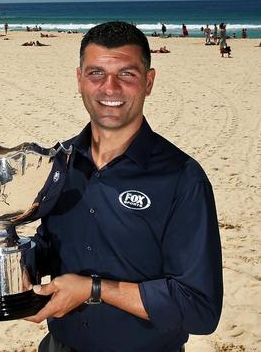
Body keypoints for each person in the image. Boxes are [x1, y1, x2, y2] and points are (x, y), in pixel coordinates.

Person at [26, 21, 223, 352]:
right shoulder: (60, 163)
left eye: (127, 75)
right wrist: (8, 259)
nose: (110, 87)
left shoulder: (181, 178)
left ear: (148, 82)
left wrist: (94, 289)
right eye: (96, 74)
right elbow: (51, 246)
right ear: (79, 80)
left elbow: (200, 308)